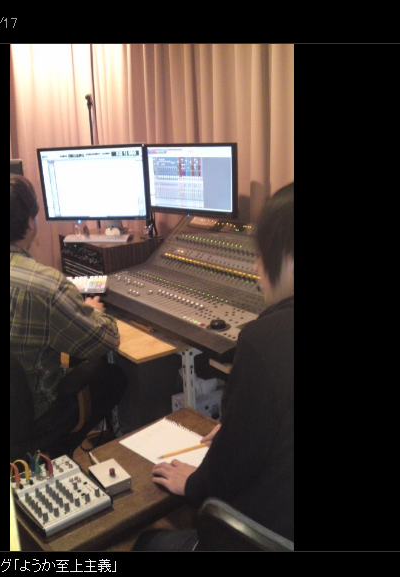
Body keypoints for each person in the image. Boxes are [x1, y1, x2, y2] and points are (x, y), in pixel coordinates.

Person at [141, 183, 294, 551]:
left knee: (149, 542)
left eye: (262, 255)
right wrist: (244, 421)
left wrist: (193, 483)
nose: (257, 268)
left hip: (266, 534)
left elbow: (229, 470)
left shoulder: (264, 340)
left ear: (286, 258)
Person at [9, 174, 125, 456]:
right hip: (35, 418)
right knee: (113, 377)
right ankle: (57, 455)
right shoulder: (46, 285)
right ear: (30, 223)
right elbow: (106, 339)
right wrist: (92, 311)